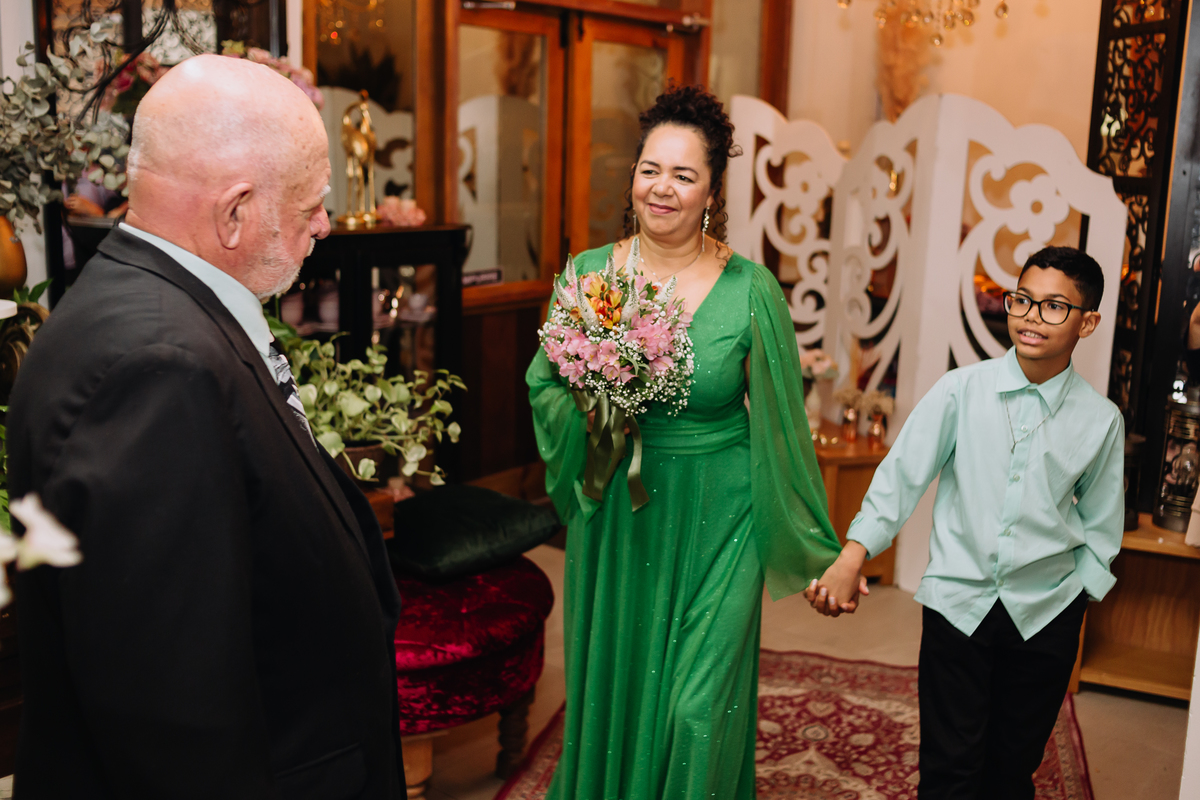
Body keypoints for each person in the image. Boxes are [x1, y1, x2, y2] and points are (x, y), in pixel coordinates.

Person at [8, 55, 406, 797]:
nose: (324, 224)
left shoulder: (142, 300)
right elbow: (176, 723)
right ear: (235, 212)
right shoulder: (159, 370)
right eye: (311, 203)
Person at [526, 84, 866, 799]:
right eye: (650, 169)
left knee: (697, 709)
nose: (662, 187)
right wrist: (599, 404)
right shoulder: (588, 277)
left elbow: (781, 429)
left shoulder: (752, 291)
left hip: (722, 516)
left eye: (683, 175)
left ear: (712, 191)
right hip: (620, 512)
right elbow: (544, 386)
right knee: (619, 688)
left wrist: (820, 550)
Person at [810, 246, 1124, 799]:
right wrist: (854, 554)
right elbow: (901, 476)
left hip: (1045, 614)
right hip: (958, 604)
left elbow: (1102, 523)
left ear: (1088, 322)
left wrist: (1077, 598)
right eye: (1022, 299)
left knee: (1011, 769)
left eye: (1054, 306)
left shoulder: (1101, 420)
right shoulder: (960, 390)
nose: (1031, 317)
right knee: (949, 768)